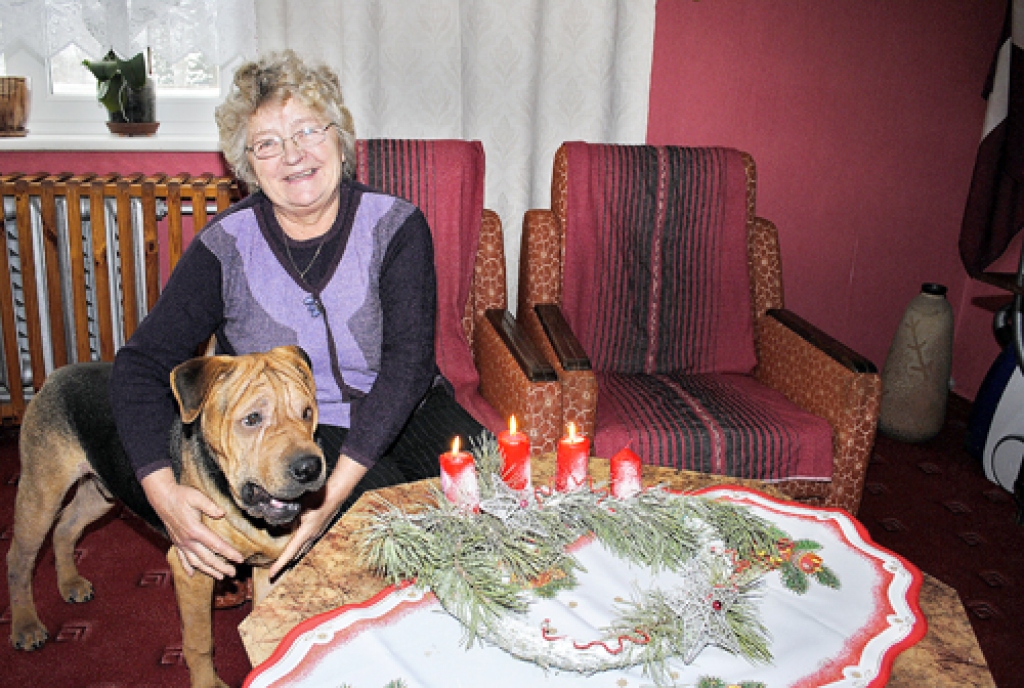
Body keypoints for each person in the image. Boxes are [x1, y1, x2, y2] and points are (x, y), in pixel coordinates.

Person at [110, 49, 488, 583]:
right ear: (247, 165)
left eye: (308, 130)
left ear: (340, 138)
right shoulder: (224, 247)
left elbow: (408, 365)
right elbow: (140, 365)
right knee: (397, 538)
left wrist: (333, 494)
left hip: (410, 405)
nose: (293, 155)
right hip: (300, 428)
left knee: (496, 498)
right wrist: (163, 491)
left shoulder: (396, 226)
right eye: (267, 143)